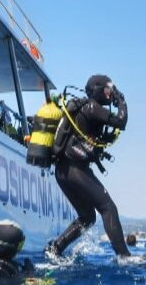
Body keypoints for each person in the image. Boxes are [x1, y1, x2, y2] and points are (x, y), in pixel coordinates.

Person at [45, 74, 132, 260]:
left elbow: (95, 138)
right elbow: (121, 122)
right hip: (74, 169)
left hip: (63, 171)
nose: (110, 94)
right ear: (98, 89)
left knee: (87, 217)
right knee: (108, 208)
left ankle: (55, 249)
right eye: (108, 90)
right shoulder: (92, 107)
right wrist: (122, 101)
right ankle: (124, 257)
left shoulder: (84, 110)